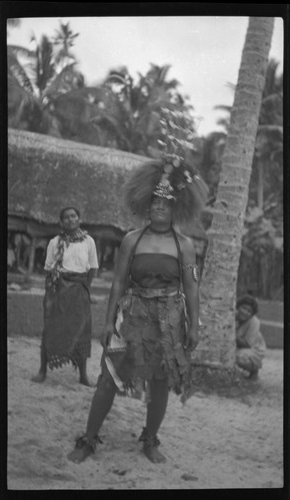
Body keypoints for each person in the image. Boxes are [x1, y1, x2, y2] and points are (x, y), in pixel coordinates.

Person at [67, 109, 208, 464]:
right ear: (148, 203)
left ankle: (150, 439)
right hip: (132, 316)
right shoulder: (132, 239)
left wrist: (194, 326)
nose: (160, 208)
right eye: (156, 202)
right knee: (108, 378)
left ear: (176, 207)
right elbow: (117, 284)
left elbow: (191, 290)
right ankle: (88, 438)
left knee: (160, 382)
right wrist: (106, 319)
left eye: (167, 203)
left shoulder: (185, 246)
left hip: (169, 322)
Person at [31, 206, 99, 386]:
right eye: (66, 217)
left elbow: (92, 268)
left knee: (82, 330)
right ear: (61, 222)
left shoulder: (89, 241)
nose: (70, 219)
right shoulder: (55, 242)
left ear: (79, 219)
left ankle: (83, 376)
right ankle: (42, 371)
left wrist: (84, 287)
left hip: (79, 291)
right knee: (51, 328)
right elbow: (48, 270)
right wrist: (51, 296)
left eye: (73, 216)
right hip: (58, 289)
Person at [235, 294, 266, 380]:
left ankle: (254, 369)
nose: (245, 312)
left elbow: (247, 344)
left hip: (254, 349)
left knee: (238, 357)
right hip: (239, 346)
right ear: (238, 307)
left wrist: (231, 334)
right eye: (244, 308)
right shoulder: (232, 315)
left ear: (252, 314)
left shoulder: (254, 322)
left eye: (249, 311)